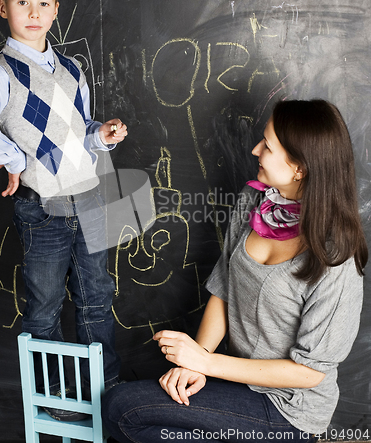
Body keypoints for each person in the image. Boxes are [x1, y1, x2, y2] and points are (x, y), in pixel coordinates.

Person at [102, 99, 368, 442]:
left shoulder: (335, 256)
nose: (256, 150)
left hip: (289, 409)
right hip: (238, 383)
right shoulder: (253, 201)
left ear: (299, 167)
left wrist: (206, 364)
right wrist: (193, 365)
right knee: (124, 410)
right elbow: (224, 287)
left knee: (125, 408)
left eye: (268, 146)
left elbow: (309, 372)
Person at [0, 0, 127, 420]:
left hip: (90, 196)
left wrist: (101, 135)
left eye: (43, 3)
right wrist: (13, 157)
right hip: (42, 208)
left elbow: (79, 130)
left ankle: (106, 391)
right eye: (23, 3)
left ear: (55, 10)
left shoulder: (72, 68)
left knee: (97, 298)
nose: (34, 14)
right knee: (45, 307)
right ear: (3, 7)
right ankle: (56, 399)